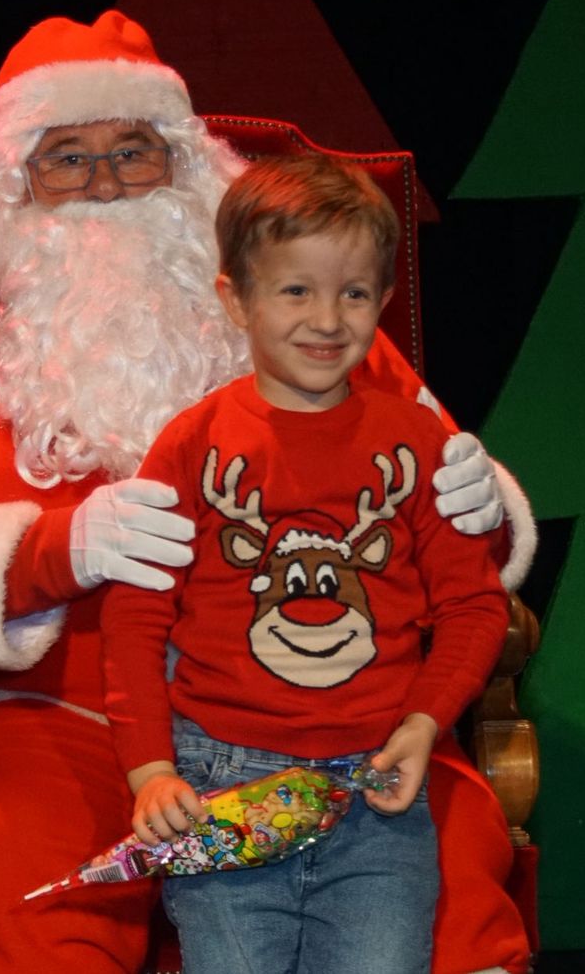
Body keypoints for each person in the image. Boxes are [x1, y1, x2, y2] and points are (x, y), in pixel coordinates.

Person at [0, 10, 536, 974]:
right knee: (15, 900)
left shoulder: (296, 312)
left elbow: (442, 487)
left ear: (183, 169)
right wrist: (52, 551)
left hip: (334, 718)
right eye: (66, 158)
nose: (103, 185)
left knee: (449, 879)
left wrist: (483, 502)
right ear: (11, 188)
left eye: (133, 152)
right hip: (64, 722)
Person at [102, 153, 511, 974]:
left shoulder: (418, 440)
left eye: (353, 292)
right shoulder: (191, 445)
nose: (328, 318)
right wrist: (150, 769)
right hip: (221, 780)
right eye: (296, 290)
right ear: (236, 300)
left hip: (376, 792)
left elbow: (473, 606)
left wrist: (424, 722)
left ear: (383, 302)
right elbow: (135, 618)